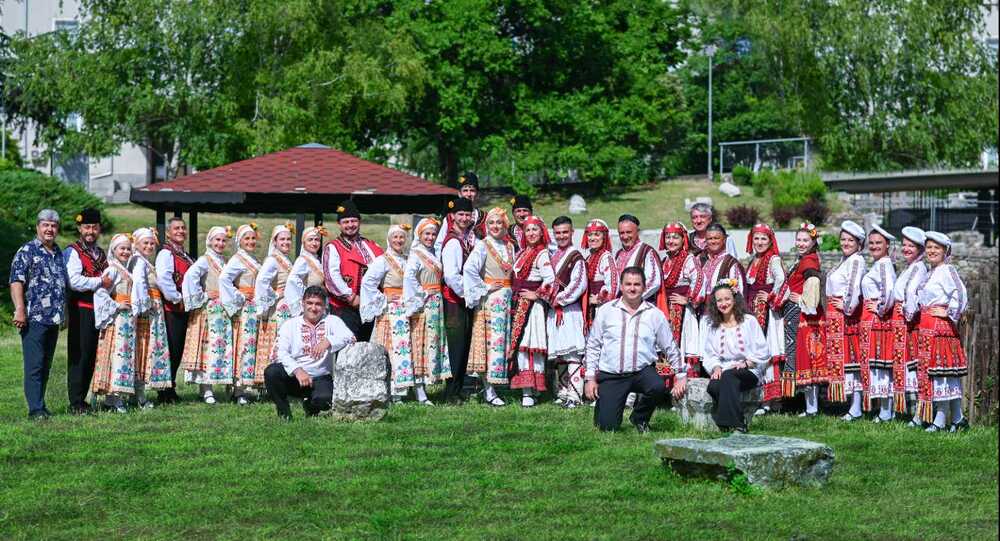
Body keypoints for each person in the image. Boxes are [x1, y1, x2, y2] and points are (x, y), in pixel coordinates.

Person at [584, 267, 686, 432]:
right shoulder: (606, 311)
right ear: (621, 287)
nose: (632, 288)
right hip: (612, 375)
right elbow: (593, 344)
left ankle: (639, 418)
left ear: (644, 287)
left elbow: (670, 346)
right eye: (628, 284)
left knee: (658, 386)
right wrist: (590, 378)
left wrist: (681, 375)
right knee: (607, 427)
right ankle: (605, 404)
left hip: (641, 372)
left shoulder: (655, 314)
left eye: (637, 284)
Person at [264, 286, 356, 420]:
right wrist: (297, 370)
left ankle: (311, 406)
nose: (313, 308)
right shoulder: (290, 324)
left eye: (318, 304)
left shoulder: (332, 321)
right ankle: (284, 413)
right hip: (295, 377)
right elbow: (281, 352)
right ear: (303, 303)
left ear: (325, 306)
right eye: (310, 303)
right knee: (271, 372)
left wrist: (329, 340)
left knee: (325, 401)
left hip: (320, 377)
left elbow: (350, 337)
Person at [10, 209, 67, 420]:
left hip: (53, 319)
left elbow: (62, 286)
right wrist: (19, 309)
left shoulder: (58, 252)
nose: (49, 229)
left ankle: (41, 405)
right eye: (45, 225)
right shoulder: (27, 251)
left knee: (45, 365)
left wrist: (65, 314)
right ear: (38, 227)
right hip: (33, 318)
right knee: (34, 365)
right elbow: (16, 281)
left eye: (53, 225)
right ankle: (35, 409)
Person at [700, 280, 771, 432]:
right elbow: (709, 353)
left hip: (749, 370)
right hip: (725, 369)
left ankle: (735, 424)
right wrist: (716, 367)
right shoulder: (713, 326)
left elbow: (763, 350)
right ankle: (736, 421)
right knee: (714, 385)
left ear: (734, 300)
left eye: (727, 299)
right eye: (719, 300)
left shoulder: (749, 321)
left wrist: (747, 363)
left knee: (729, 377)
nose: (723, 303)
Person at [916, 231, 969, 432]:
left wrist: (948, 311)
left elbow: (961, 293)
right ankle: (957, 419)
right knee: (937, 374)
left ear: (945, 250)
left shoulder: (947, 270)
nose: (931, 251)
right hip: (928, 327)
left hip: (940, 328)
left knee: (941, 375)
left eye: (936, 248)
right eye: (929, 247)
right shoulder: (931, 273)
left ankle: (940, 420)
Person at [771, 223, 826, 416]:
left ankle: (811, 408)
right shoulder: (804, 259)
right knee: (801, 355)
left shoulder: (809, 262)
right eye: (799, 240)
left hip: (802, 314)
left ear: (813, 242)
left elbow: (813, 284)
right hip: (796, 313)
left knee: (805, 357)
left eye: (805, 240)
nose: (801, 243)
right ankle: (808, 406)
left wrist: (802, 298)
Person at [462, 207, 515, 406]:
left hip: (507, 300)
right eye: (491, 223)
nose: (495, 226)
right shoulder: (483, 246)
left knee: (501, 342)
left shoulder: (510, 246)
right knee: (491, 342)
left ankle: (496, 386)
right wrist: (485, 287)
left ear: (504, 225)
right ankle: (490, 390)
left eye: (499, 223)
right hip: (491, 301)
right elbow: (469, 269)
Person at [361, 225, 417, 402]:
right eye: (395, 237)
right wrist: (383, 297)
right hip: (390, 311)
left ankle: (400, 391)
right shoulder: (382, 260)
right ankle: (386, 389)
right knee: (390, 348)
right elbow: (367, 283)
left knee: (403, 348)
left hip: (405, 309)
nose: (399, 241)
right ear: (389, 239)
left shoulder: (408, 259)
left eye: (402, 237)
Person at [64, 208, 110, 414]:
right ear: (79, 228)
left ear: (99, 228)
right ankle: (75, 401)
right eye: (86, 227)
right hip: (81, 309)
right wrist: (100, 281)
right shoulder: (72, 251)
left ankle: (83, 398)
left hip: (100, 311)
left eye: (94, 227)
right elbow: (74, 281)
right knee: (80, 353)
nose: (90, 231)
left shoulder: (100, 253)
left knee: (93, 354)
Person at [181, 226, 234, 404]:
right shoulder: (205, 260)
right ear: (209, 241)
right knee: (207, 348)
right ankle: (206, 389)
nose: (220, 243)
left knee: (220, 348)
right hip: (209, 310)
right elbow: (190, 277)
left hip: (223, 311)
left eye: (223, 240)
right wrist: (203, 295)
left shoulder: (224, 261)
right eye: (217, 240)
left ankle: (219, 384)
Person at [507, 216, 556, 407]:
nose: (531, 233)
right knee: (520, 345)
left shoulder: (542, 253)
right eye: (528, 230)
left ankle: (531, 390)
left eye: (535, 230)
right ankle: (527, 389)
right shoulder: (522, 253)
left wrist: (537, 294)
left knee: (529, 345)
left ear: (541, 232)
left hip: (531, 308)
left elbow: (550, 281)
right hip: (518, 305)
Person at [91, 233, 142, 411]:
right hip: (118, 319)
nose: (126, 252)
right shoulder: (112, 269)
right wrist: (116, 304)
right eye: (122, 248)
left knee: (124, 356)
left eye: (128, 248)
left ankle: (114, 398)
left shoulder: (124, 269)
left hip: (128, 319)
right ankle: (115, 397)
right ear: (114, 250)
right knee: (117, 355)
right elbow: (100, 293)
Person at [403, 217, 452, 402]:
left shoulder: (432, 253)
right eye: (427, 234)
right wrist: (420, 296)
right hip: (424, 305)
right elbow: (409, 278)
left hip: (436, 303)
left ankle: (427, 384)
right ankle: (419, 389)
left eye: (433, 234)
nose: (430, 237)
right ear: (419, 235)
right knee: (421, 344)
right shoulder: (416, 254)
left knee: (433, 342)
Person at [323, 200, 384, 340]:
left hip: (371, 306)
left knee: (369, 347)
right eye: (346, 222)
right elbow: (331, 277)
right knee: (347, 347)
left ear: (359, 222)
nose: (350, 225)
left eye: (353, 221)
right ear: (339, 224)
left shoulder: (372, 245)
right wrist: (351, 298)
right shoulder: (333, 247)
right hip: (345, 307)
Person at [825, 220, 867, 420]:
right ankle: (852, 405)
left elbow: (854, 286)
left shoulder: (857, 260)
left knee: (851, 360)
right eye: (843, 239)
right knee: (845, 360)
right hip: (835, 315)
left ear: (859, 244)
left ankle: (856, 406)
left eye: (851, 240)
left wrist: (847, 306)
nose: (846, 243)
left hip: (846, 316)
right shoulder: (844, 260)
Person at [743, 223, 786, 415]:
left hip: (767, 313)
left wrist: (769, 297)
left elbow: (782, 281)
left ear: (770, 241)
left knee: (767, 351)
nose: (759, 242)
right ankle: (759, 397)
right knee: (756, 351)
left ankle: (771, 402)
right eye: (756, 238)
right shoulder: (754, 260)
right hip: (753, 311)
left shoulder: (773, 260)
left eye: (763, 239)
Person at [546, 216, 589, 408]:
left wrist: (559, 300)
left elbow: (579, 284)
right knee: (560, 354)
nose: (561, 236)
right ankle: (563, 391)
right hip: (554, 310)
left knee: (572, 352)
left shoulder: (576, 257)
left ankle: (575, 394)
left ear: (572, 232)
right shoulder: (553, 256)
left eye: (565, 232)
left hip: (569, 310)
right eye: (558, 233)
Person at [129, 227, 174, 401]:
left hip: (154, 307)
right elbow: (139, 282)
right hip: (148, 310)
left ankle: (138, 392)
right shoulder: (139, 261)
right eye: (145, 243)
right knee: (145, 349)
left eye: (151, 243)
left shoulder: (145, 261)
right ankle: (139, 393)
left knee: (147, 348)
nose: (149, 246)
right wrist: (143, 307)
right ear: (137, 244)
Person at [220, 223, 263, 403]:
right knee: (243, 346)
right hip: (245, 308)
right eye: (247, 238)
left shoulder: (252, 259)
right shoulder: (238, 259)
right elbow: (224, 278)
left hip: (254, 308)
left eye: (253, 238)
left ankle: (245, 386)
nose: (251, 241)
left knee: (251, 346)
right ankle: (238, 390)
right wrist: (239, 295)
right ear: (240, 241)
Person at [155, 216, 195, 404]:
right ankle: (165, 391)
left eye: (183, 228)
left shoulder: (184, 254)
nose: (181, 231)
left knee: (177, 349)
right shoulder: (166, 253)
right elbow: (163, 278)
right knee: (171, 348)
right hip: (173, 308)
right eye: (176, 228)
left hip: (183, 308)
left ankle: (169, 388)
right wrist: (177, 298)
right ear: (169, 233)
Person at [441, 197, 477, 402]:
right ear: (452, 216)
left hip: (463, 300)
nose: (464, 218)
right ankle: (451, 392)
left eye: (467, 215)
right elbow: (451, 276)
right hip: (455, 301)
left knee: (463, 345)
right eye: (460, 215)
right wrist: (469, 294)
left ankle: (458, 389)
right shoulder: (453, 242)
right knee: (456, 347)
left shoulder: (464, 239)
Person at [889, 226, 927, 424]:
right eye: (904, 245)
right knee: (903, 365)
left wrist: (907, 313)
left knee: (912, 366)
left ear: (920, 249)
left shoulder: (919, 268)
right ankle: (907, 411)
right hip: (900, 322)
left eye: (911, 246)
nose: (906, 249)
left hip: (907, 322)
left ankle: (917, 414)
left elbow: (912, 293)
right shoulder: (910, 267)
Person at [860, 225, 897, 422]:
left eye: (878, 243)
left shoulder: (883, 264)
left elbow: (889, 291)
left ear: (887, 245)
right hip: (871, 318)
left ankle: (885, 411)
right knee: (877, 364)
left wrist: (880, 308)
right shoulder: (878, 264)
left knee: (881, 364)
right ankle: (884, 410)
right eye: (872, 243)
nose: (874, 246)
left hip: (878, 319)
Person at [655, 222, 701, 378]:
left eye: (675, 237)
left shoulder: (689, 259)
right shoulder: (664, 260)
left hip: (683, 312)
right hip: (665, 308)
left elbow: (699, 280)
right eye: (668, 237)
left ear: (683, 239)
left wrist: (688, 299)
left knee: (682, 345)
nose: (671, 241)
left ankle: (684, 388)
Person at [255, 224, 296, 387]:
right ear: (275, 241)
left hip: (287, 307)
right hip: (279, 308)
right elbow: (261, 281)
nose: (286, 242)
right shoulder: (273, 260)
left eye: (288, 239)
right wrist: (275, 294)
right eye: (282, 239)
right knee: (278, 343)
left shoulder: (285, 259)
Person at [691, 223, 744, 312]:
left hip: (722, 312)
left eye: (716, 238)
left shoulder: (731, 263)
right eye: (709, 239)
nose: (713, 241)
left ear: (724, 239)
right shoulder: (699, 259)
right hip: (700, 311)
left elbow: (738, 291)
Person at [434, 172, 486, 252]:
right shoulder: (450, 218)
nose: (468, 194)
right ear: (459, 193)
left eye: (472, 190)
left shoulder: (485, 218)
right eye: (465, 190)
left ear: (477, 194)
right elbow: (439, 245)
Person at [615, 214, 661, 302]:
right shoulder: (618, 254)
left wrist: (633, 299)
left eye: (629, 232)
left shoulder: (647, 252)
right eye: (621, 233)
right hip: (621, 304)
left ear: (637, 231)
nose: (625, 236)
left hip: (641, 306)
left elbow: (654, 282)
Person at [285, 225, 328, 317]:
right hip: (310, 308)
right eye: (310, 240)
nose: (314, 243)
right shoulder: (303, 260)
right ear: (303, 242)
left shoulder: (317, 260)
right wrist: (307, 295)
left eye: (317, 240)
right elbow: (292, 280)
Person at [582, 219, 615, 331]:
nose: (592, 238)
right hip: (590, 308)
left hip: (602, 308)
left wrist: (599, 298)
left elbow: (613, 284)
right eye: (590, 235)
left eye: (597, 234)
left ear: (604, 237)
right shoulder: (589, 258)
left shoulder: (606, 257)